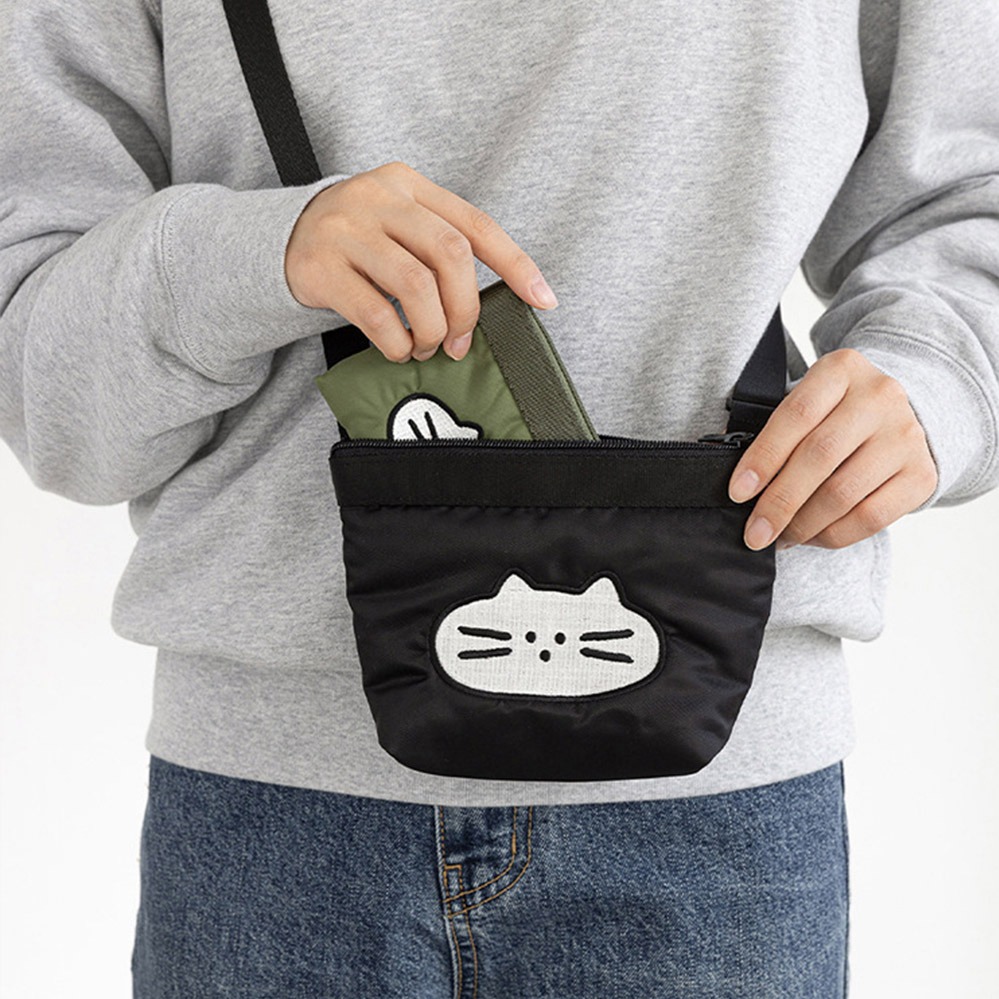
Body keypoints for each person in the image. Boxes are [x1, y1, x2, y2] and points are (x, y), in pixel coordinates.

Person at [1, 0, 996, 996]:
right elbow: (51, 394)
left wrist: (935, 381)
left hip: (722, 805)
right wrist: (259, 253)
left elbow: (970, 201)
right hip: (269, 826)